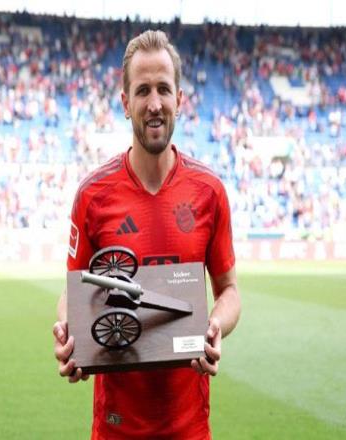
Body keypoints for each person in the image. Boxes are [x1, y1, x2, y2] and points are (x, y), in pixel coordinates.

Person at [53, 29, 241, 440]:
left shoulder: (209, 191)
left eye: (163, 89)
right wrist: (68, 331)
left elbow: (229, 291)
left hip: (189, 427)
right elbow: (75, 289)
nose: (154, 104)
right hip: (115, 428)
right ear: (125, 103)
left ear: (180, 99)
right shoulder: (93, 195)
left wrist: (214, 326)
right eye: (142, 91)